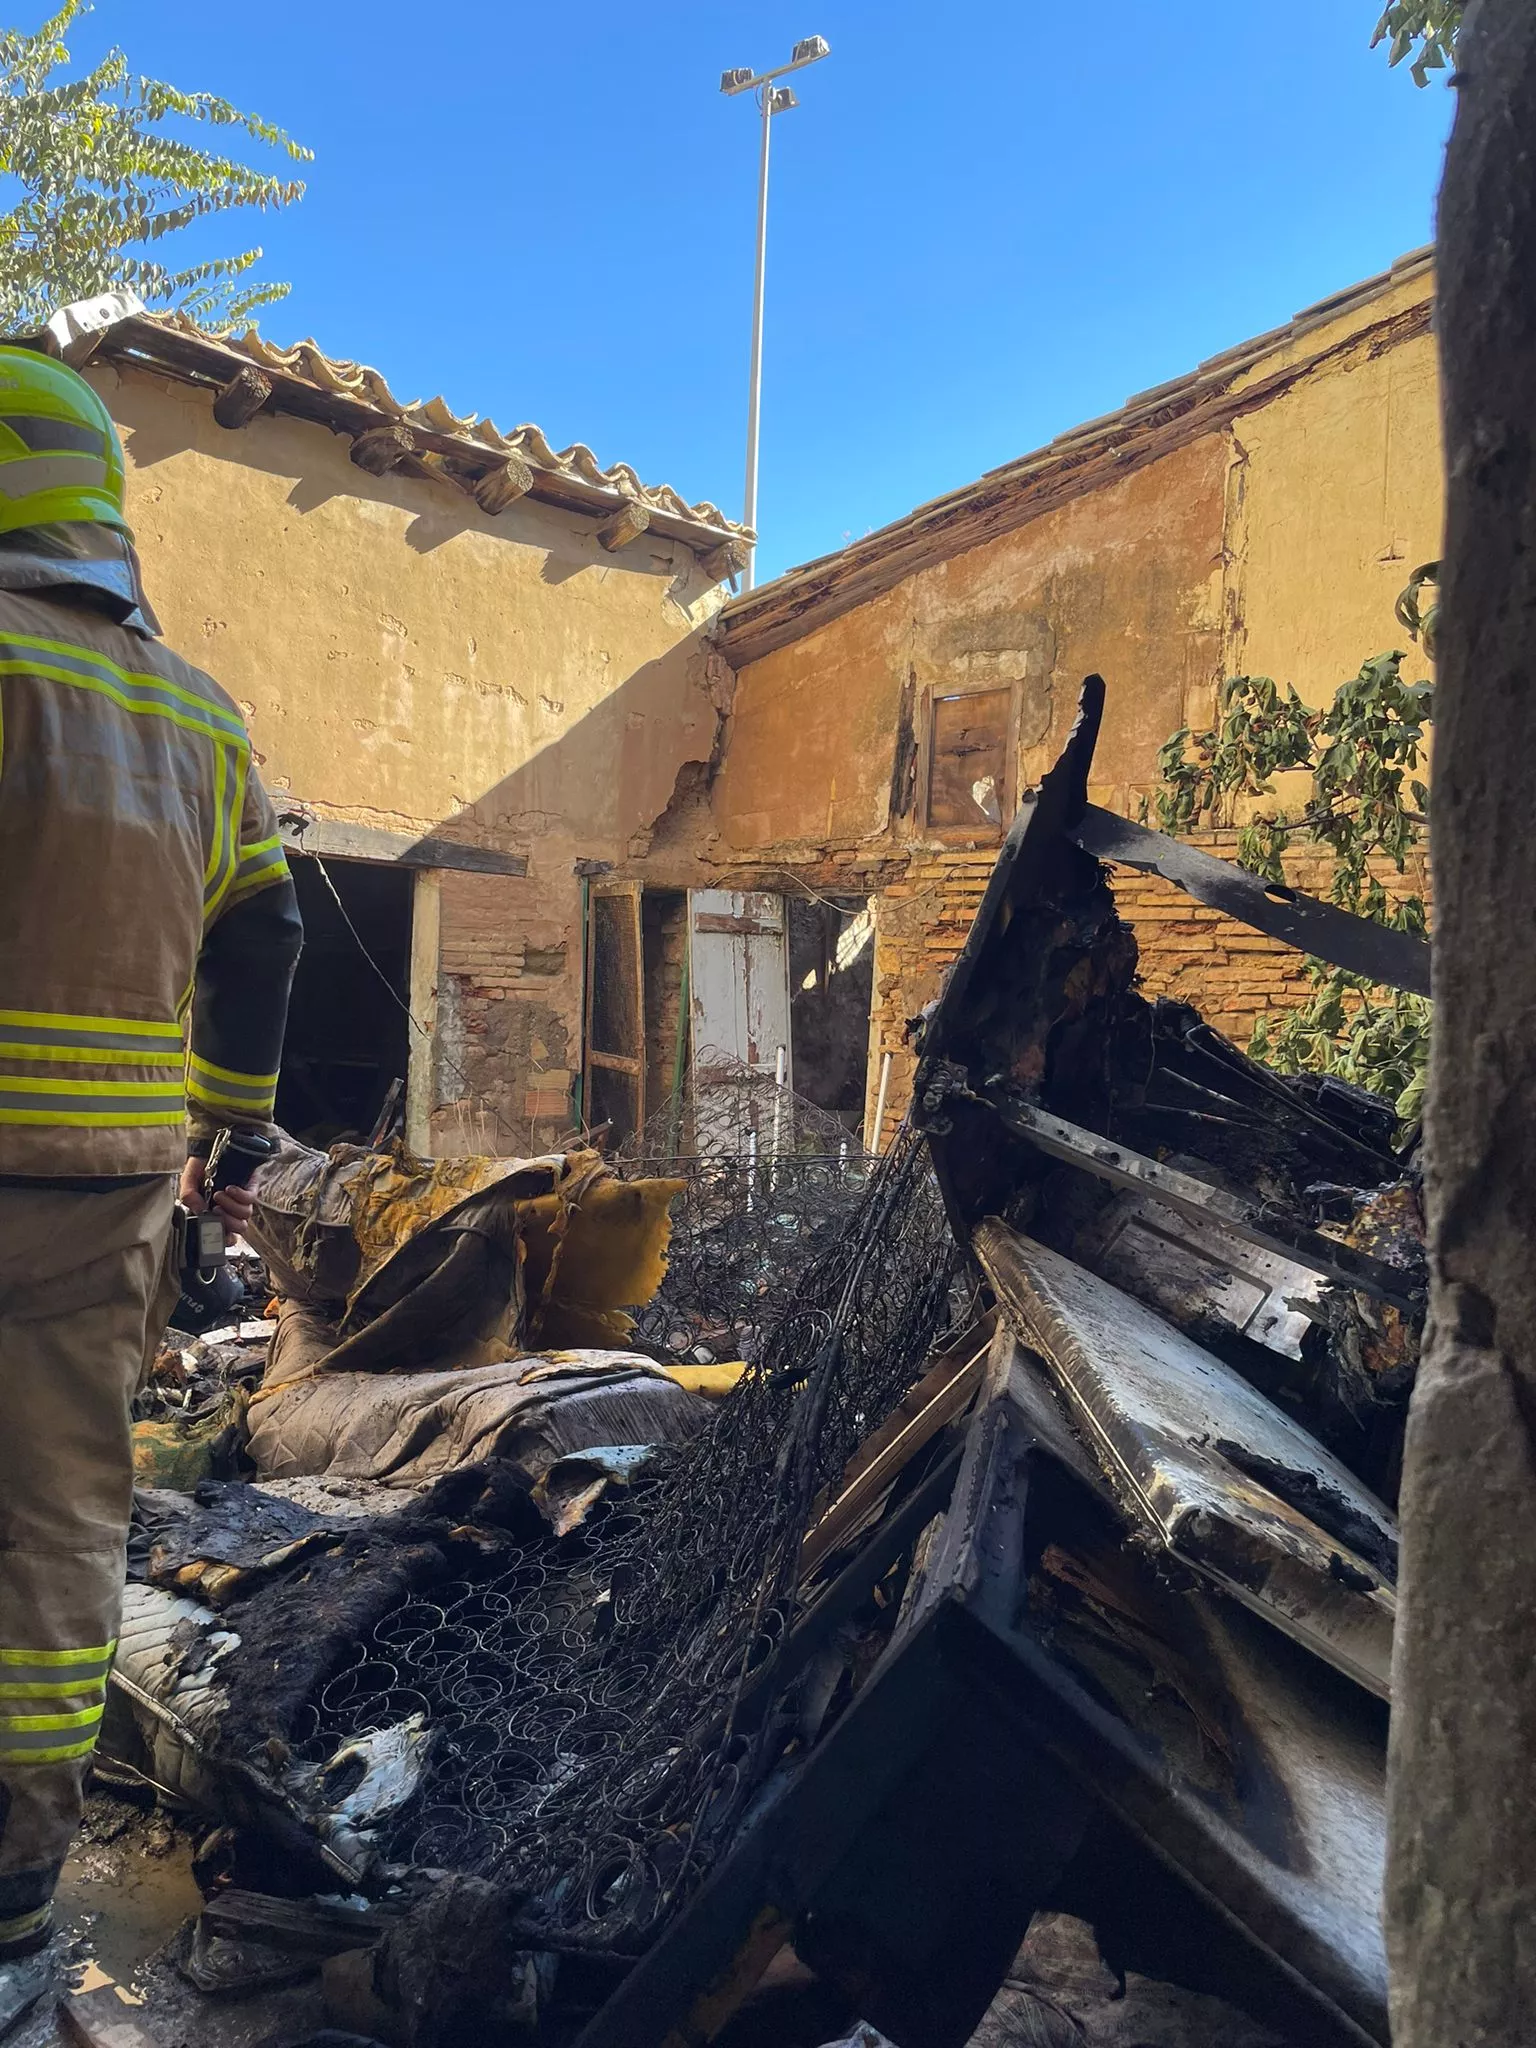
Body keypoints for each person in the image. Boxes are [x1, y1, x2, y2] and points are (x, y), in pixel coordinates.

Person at [0, 345, 302, 2022]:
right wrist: (227, 1136)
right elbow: (266, 929)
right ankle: (12, 1906)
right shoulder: (196, 710)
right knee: (54, 1534)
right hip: (106, 1193)